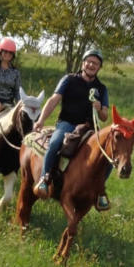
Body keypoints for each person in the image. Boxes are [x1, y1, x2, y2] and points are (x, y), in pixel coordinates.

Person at [32, 49, 110, 210]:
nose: (91, 65)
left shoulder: (102, 89)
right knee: (55, 143)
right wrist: (41, 120)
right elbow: (54, 100)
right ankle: (44, 179)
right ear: (83, 63)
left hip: (89, 128)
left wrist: (99, 108)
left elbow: (104, 116)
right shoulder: (69, 79)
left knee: (108, 156)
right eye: (89, 62)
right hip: (67, 123)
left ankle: (100, 191)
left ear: (99, 67)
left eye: (95, 63)